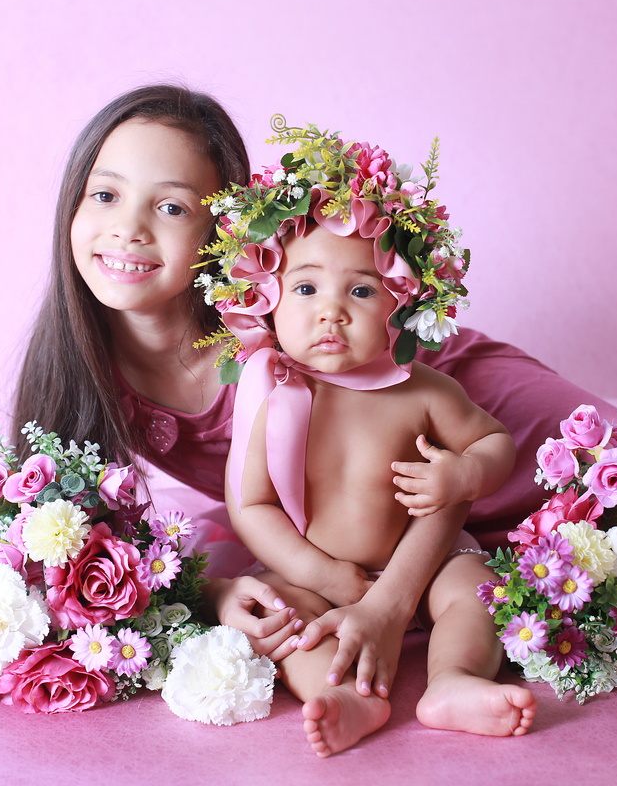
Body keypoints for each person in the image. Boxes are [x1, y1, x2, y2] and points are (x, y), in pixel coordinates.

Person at [10, 83, 617, 698]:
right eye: (104, 193)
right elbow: (130, 546)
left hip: (460, 416)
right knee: (561, 564)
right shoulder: (81, 381)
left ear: (234, 237)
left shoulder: (271, 326)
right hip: (402, 513)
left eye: (170, 205)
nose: (127, 228)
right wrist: (225, 589)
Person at [205, 120, 536, 754]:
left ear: (404, 301)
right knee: (286, 622)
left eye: (361, 289)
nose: (331, 310)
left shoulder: (424, 390)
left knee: (475, 592)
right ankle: (346, 698)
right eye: (304, 288)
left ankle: (452, 680)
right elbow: (252, 505)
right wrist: (322, 575)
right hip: (320, 572)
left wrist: (464, 475)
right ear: (266, 299)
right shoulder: (273, 397)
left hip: (430, 560)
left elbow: (493, 442)